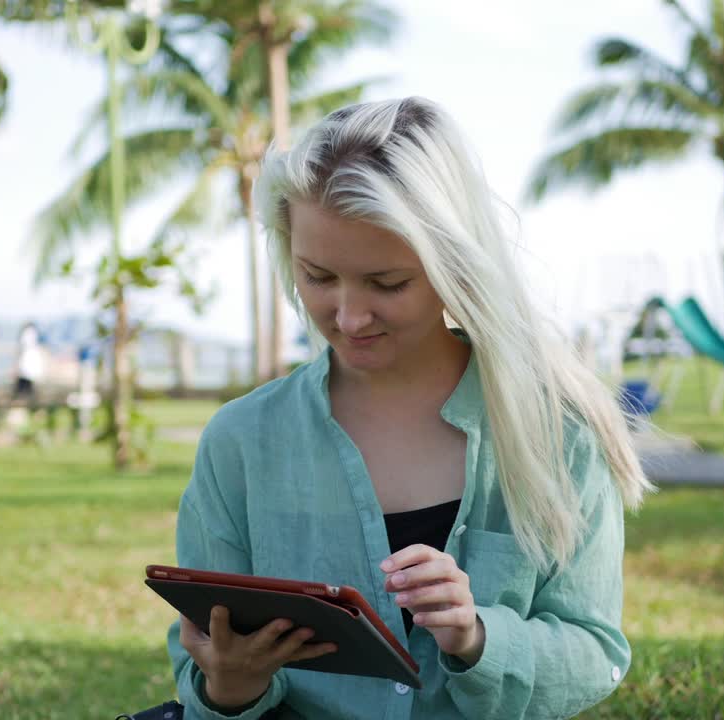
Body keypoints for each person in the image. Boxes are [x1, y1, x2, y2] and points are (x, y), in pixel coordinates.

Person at [166, 97, 652, 720]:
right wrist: (230, 688)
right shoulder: (241, 442)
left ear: (455, 266)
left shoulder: (560, 433)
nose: (348, 316)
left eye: (386, 283)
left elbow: (595, 652)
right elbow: (198, 670)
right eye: (317, 276)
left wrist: (479, 636)